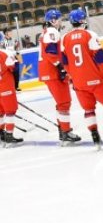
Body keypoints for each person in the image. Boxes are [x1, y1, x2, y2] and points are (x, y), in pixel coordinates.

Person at [61, 8, 103, 150]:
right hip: (96, 80)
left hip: (79, 82)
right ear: (83, 21)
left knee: (88, 110)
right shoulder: (89, 35)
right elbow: (101, 59)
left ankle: (95, 138)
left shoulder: (64, 38)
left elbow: (65, 63)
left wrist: (73, 76)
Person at [38, 8, 81, 145]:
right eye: (59, 19)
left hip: (48, 72)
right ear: (53, 20)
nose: (61, 21)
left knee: (61, 103)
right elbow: (51, 53)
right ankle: (66, 132)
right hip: (52, 72)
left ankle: (63, 131)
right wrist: (60, 67)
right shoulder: (52, 32)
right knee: (64, 102)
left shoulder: (47, 32)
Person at [0, 32, 22, 147]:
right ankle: (9, 135)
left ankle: (1, 134)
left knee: (0, 112)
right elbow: (14, 68)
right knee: (10, 111)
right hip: (5, 87)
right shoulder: (5, 53)